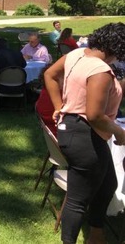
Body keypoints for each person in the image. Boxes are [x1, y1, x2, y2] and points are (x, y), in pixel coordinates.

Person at [44, 23, 125, 244]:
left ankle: (96, 234)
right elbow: (95, 115)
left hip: (76, 131)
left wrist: (59, 106)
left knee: (108, 185)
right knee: (77, 201)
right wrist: (119, 132)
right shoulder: (100, 70)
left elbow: (50, 74)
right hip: (85, 136)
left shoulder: (77, 55)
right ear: (116, 48)